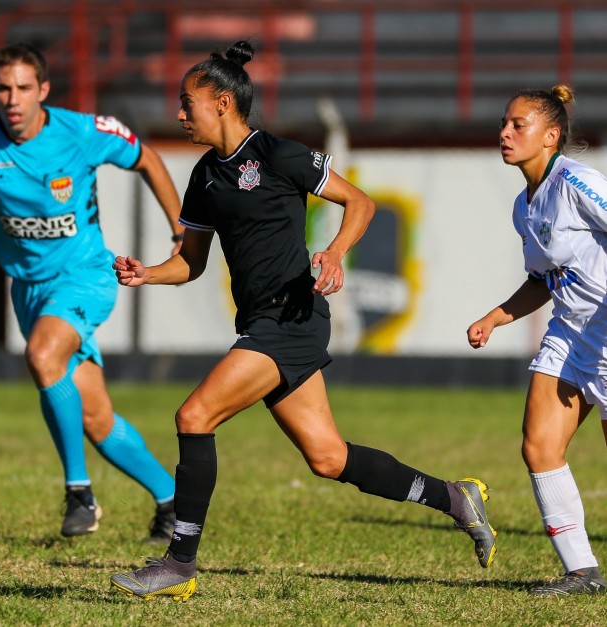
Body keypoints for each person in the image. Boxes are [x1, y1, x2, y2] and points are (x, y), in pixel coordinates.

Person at [109, 41, 497, 601]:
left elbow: (359, 203)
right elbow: (191, 264)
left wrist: (335, 252)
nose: (178, 113)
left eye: (185, 102)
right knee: (328, 457)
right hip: (263, 324)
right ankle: (456, 498)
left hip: (292, 318)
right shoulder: (203, 178)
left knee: (195, 416)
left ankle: (179, 563)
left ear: (222, 102)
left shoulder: (277, 154)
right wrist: (146, 273)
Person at [0, 43, 182, 541]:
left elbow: (146, 158)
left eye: (22, 88)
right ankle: (172, 502)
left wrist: (180, 230)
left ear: (43, 90)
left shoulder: (81, 131)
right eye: (2, 88)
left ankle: (79, 493)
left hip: (87, 276)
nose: (12, 99)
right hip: (30, 291)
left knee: (42, 356)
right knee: (96, 418)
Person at [467, 86, 607, 596]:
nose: (504, 132)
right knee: (539, 445)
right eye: (504, 123)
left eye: (518, 125)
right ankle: (582, 571)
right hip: (570, 333)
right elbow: (542, 280)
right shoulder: (523, 206)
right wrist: (495, 317)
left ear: (551, 136)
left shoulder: (576, 180)